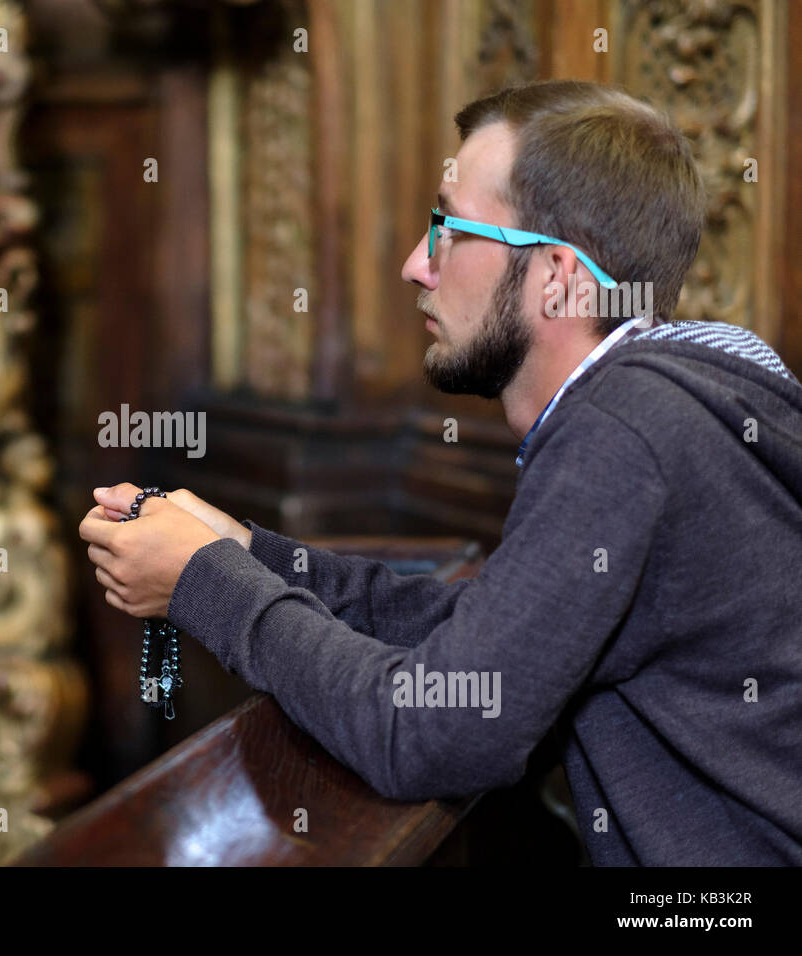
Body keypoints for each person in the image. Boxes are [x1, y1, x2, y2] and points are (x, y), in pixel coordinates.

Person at [79, 80, 802, 866]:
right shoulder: (669, 399)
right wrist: (250, 555)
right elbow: (474, 640)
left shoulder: (625, 431)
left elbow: (428, 732)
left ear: (557, 276)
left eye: (447, 228)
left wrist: (203, 585)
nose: (415, 265)